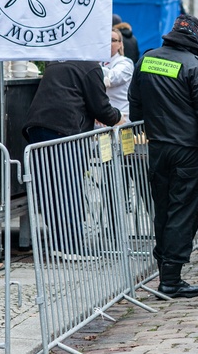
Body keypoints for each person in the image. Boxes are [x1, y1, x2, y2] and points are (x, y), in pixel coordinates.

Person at [128, 14, 198, 298]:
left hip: (157, 148)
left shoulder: (146, 60)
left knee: (163, 210)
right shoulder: (194, 66)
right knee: (184, 211)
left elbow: (136, 104)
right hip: (189, 152)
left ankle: (165, 270)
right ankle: (170, 278)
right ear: (195, 38)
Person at [23, 59, 124, 258]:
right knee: (68, 188)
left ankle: (60, 243)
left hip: (37, 127)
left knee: (49, 189)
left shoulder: (57, 62)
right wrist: (118, 117)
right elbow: (101, 107)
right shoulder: (90, 66)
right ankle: (70, 246)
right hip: (64, 130)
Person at [102, 28, 133, 116]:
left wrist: (92, 67)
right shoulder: (99, 62)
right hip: (101, 118)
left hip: (121, 119)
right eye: (106, 39)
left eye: (113, 40)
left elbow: (114, 77)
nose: (109, 43)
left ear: (120, 44)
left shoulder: (126, 63)